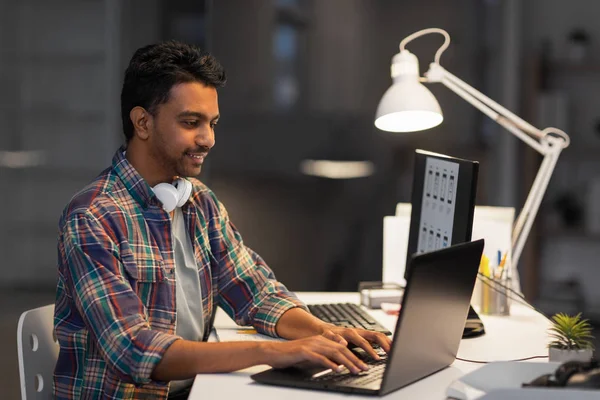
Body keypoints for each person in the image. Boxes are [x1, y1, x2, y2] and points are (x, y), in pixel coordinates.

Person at [53, 40, 391, 399]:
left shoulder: (199, 202)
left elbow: (255, 291)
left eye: (212, 123)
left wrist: (323, 332)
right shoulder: (92, 217)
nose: (208, 138)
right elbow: (135, 350)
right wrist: (271, 352)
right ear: (142, 122)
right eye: (191, 122)